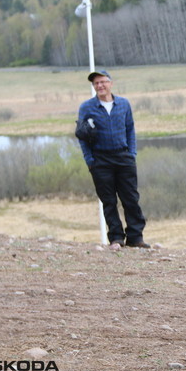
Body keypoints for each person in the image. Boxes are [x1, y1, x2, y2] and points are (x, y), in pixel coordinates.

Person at [76, 70, 150, 250]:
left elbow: (130, 129)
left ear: (110, 83)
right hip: (100, 160)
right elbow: (82, 135)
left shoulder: (123, 104)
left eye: (102, 82)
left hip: (124, 157)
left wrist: (132, 153)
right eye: (96, 84)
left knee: (131, 198)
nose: (99, 86)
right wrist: (90, 160)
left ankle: (135, 237)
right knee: (109, 201)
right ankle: (116, 238)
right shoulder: (86, 107)